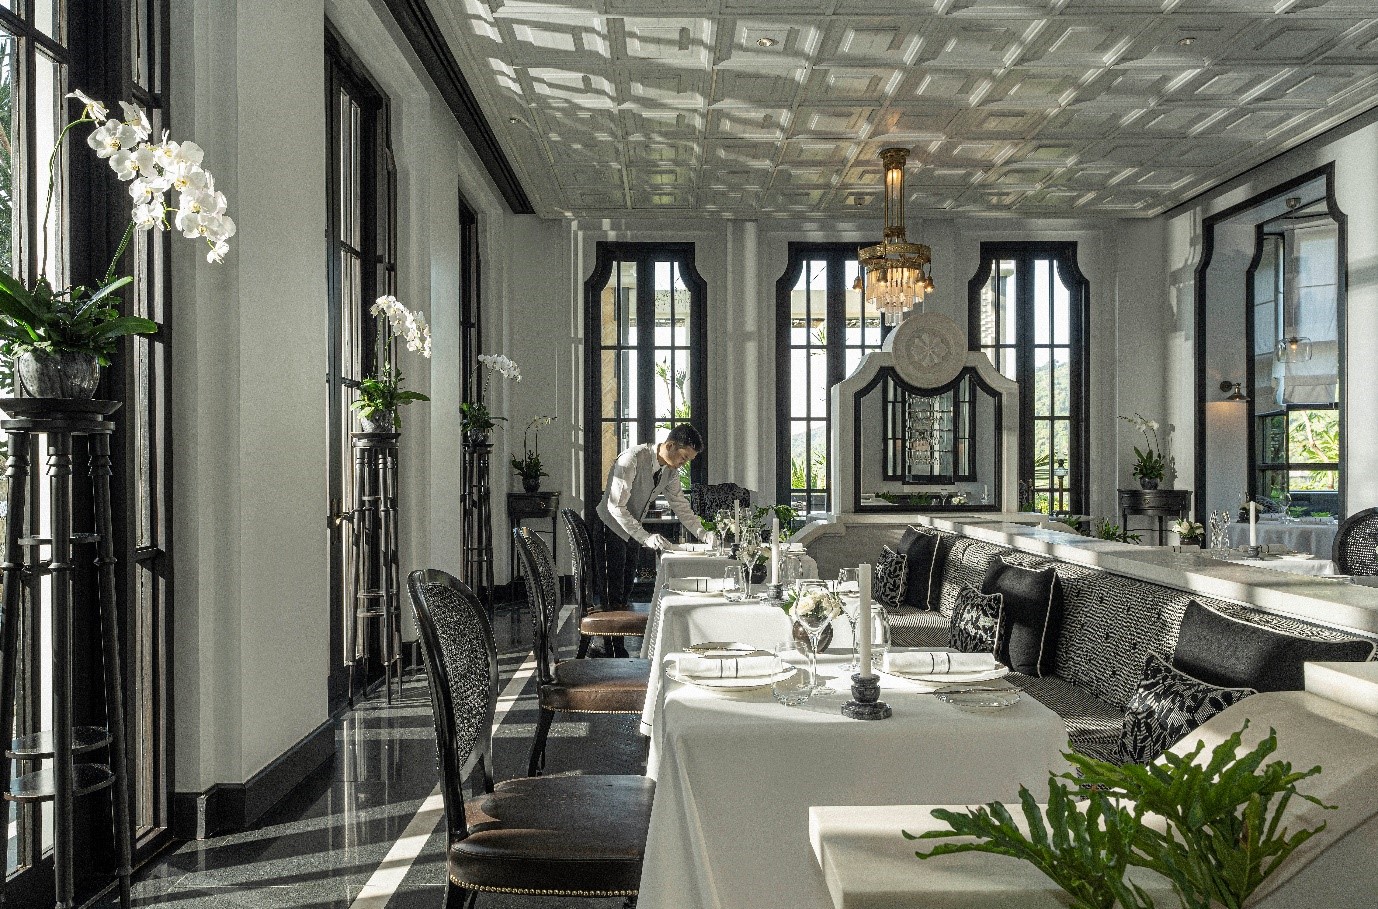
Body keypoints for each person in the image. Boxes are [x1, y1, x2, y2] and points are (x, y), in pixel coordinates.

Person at [596, 425, 707, 618]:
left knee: (625, 593)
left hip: (632, 530)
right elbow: (615, 506)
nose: (683, 464)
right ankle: (611, 637)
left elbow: (680, 506)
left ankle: (620, 636)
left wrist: (703, 533)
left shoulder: (670, 472)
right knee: (612, 599)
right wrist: (646, 537)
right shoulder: (631, 459)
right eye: (683, 457)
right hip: (610, 527)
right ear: (670, 445)